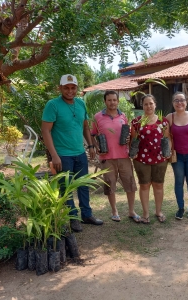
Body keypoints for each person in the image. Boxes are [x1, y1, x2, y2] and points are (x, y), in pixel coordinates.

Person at [41, 74, 103, 232]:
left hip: (80, 153)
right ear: (60, 88)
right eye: (66, 88)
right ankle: (72, 218)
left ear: (77, 88)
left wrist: (90, 146)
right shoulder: (52, 105)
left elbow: (85, 127)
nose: (70, 91)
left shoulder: (81, 104)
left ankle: (87, 215)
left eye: (73, 87)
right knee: (66, 188)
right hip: (62, 155)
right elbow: (46, 131)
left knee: (83, 185)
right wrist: (54, 155)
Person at [91, 90, 140, 223]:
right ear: (105, 101)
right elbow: (92, 134)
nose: (112, 102)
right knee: (110, 185)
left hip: (124, 156)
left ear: (118, 101)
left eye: (114, 100)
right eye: (109, 100)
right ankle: (114, 211)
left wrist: (130, 142)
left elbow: (128, 134)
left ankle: (131, 211)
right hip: (107, 158)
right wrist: (96, 147)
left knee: (130, 183)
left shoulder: (123, 116)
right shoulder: (97, 117)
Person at [130, 94, 170, 224]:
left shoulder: (163, 121)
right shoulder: (136, 122)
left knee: (158, 185)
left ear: (155, 104)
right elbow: (133, 140)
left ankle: (158, 211)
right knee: (144, 185)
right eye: (146, 104)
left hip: (160, 158)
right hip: (141, 159)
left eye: (151, 103)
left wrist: (168, 152)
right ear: (142, 106)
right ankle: (146, 214)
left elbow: (167, 138)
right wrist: (133, 152)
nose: (148, 106)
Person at [166, 92, 188, 220]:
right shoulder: (169, 117)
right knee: (179, 182)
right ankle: (180, 207)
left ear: (186, 102)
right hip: (177, 155)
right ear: (173, 103)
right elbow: (167, 137)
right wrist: (168, 150)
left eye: (182, 100)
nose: (179, 103)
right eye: (176, 100)